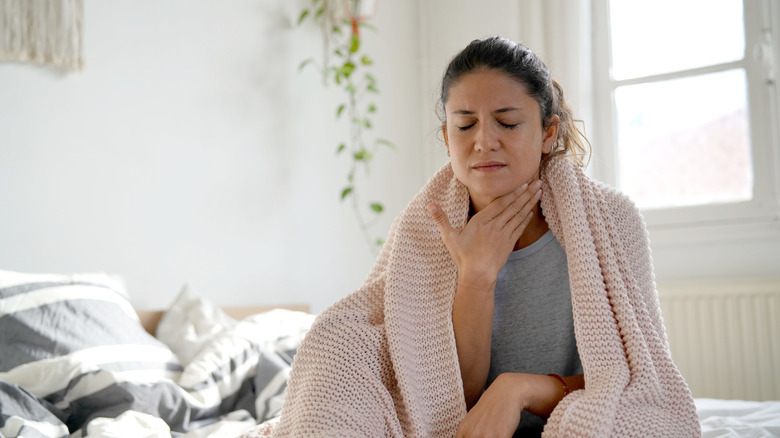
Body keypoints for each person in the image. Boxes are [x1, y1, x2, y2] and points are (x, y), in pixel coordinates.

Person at [246, 36, 700, 438]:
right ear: (447, 138)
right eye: (465, 125)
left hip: (557, 419)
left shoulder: (611, 222)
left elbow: (639, 375)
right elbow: (442, 404)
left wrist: (518, 389)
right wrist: (476, 276)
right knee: (336, 340)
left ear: (548, 132)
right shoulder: (425, 229)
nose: (484, 141)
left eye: (507, 122)